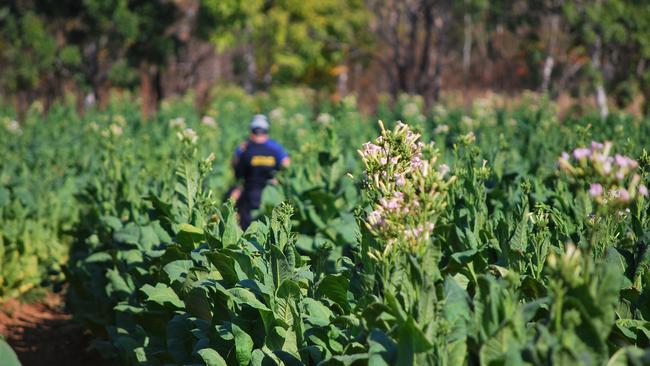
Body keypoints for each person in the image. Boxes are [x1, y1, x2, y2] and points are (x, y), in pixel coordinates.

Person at [230, 114, 290, 229]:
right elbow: (286, 164)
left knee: (247, 226)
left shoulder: (244, 147)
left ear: (251, 130)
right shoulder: (275, 148)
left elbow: (236, 169)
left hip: (250, 192)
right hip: (272, 192)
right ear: (266, 130)